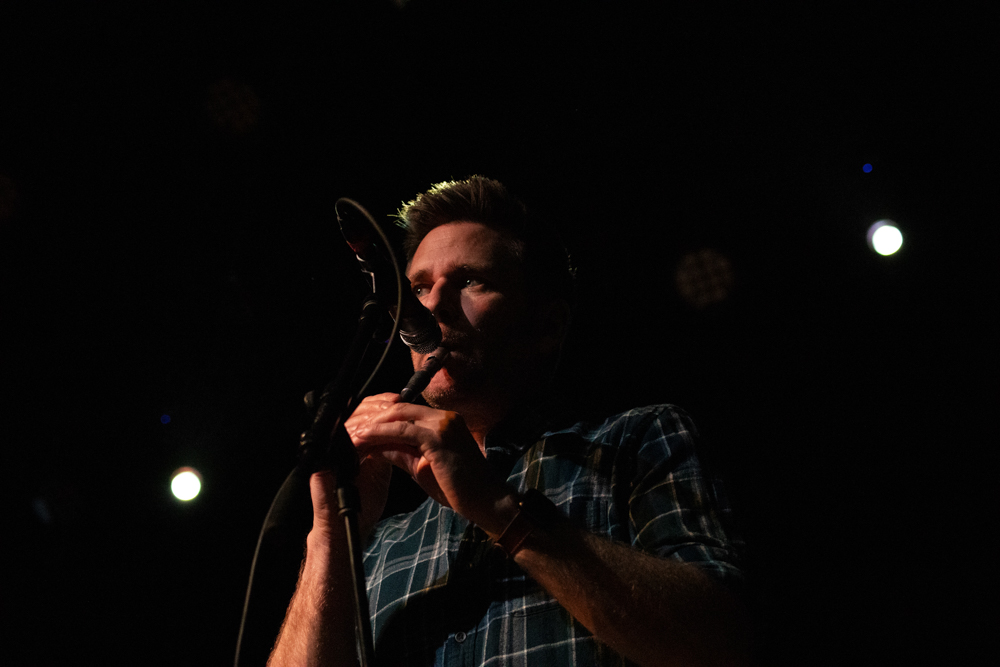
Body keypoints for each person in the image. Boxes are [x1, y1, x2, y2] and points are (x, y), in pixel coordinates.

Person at [268, 176, 748, 666]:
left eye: (472, 281)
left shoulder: (637, 440)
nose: (432, 306)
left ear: (548, 327)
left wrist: (498, 507)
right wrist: (332, 531)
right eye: (418, 288)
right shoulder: (383, 543)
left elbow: (725, 643)